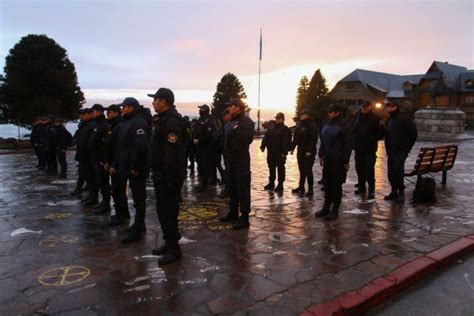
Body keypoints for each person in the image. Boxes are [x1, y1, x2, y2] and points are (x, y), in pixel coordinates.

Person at [148, 88, 187, 264]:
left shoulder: (171, 121)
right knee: (163, 210)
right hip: (161, 173)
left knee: (168, 211)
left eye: (155, 100)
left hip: (167, 175)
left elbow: (172, 154)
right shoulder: (163, 119)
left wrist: (171, 180)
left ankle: (174, 249)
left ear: (163, 101)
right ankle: (168, 241)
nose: (153, 103)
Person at [111, 97, 151, 243]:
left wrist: (135, 167)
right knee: (132, 196)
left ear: (132, 108)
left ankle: (139, 226)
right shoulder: (124, 123)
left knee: (139, 199)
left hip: (135, 169)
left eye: (125, 107)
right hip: (125, 165)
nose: (122, 109)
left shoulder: (139, 123)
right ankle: (138, 224)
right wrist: (115, 164)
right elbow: (120, 147)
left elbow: (141, 147)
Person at [219, 98, 255, 230]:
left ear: (239, 108)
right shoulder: (231, 122)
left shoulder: (246, 122)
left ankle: (244, 217)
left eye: (232, 106)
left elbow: (247, 139)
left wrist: (237, 130)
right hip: (230, 161)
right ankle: (233, 212)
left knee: (242, 189)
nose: (229, 108)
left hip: (241, 161)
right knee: (232, 188)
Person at [315, 104, 352, 220]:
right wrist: (321, 154)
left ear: (337, 113)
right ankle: (326, 207)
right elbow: (323, 140)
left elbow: (348, 144)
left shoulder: (344, 126)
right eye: (328, 111)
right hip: (328, 158)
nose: (328, 113)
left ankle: (334, 210)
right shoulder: (327, 123)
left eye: (331, 112)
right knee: (327, 184)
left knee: (336, 185)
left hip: (339, 160)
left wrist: (345, 160)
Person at [384, 100, 417, 203]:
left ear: (396, 107)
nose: (389, 108)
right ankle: (394, 191)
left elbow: (413, 134)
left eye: (391, 106)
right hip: (391, 150)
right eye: (388, 106)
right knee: (391, 172)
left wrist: (407, 147)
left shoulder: (404, 119)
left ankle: (401, 192)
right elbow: (387, 134)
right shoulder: (389, 119)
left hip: (400, 150)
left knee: (398, 171)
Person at [351, 101, 384, 199]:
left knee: (369, 169)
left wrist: (372, 140)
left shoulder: (376, 117)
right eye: (363, 107)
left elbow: (382, 132)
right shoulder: (357, 116)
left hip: (370, 148)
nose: (364, 108)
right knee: (359, 168)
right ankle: (362, 187)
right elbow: (352, 128)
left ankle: (371, 189)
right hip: (359, 147)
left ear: (370, 107)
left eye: (366, 107)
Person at [104, 104, 130, 227]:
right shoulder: (113, 125)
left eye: (109, 113)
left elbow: (120, 148)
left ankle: (122, 214)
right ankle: (121, 212)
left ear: (115, 113)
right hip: (114, 162)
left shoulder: (119, 126)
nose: (107, 115)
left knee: (118, 189)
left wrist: (114, 164)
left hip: (118, 163)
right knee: (116, 189)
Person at [89, 104, 112, 214]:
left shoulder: (103, 125)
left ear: (98, 112)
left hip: (101, 160)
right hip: (96, 158)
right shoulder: (97, 124)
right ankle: (103, 202)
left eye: (93, 112)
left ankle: (106, 204)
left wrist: (104, 160)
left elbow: (105, 144)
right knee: (100, 182)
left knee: (104, 182)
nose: (92, 114)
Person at [260, 112, 291, 192]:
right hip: (271, 152)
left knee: (280, 168)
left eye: (278, 118)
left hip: (279, 152)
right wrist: (263, 146)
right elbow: (266, 137)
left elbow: (286, 141)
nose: (276, 120)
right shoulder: (272, 128)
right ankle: (271, 183)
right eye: (276, 118)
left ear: (282, 119)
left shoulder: (285, 129)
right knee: (271, 167)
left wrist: (285, 152)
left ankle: (280, 184)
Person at [290, 109, 318, 197]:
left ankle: (310, 189)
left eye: (303, 114)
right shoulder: (300, 125)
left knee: (308, 170)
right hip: (300, 150)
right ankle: (301, 187)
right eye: (301, 114)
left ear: (308, 115)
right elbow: (296, 138)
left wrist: (309, 150)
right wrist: (292, 148)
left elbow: (314, 139)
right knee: (301, 170)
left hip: (308, 151)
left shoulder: (312, 125)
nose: (301, 115)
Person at [194, 104, 217, 190]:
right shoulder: (202, 119)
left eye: (201, 109)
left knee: (206, 165)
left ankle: (205, 184)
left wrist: (200, 140)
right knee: (203, 165)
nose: (200, 111)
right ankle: (206, 182)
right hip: (201, 146)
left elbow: (209, 135)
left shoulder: (209, 120)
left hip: (207, 146)